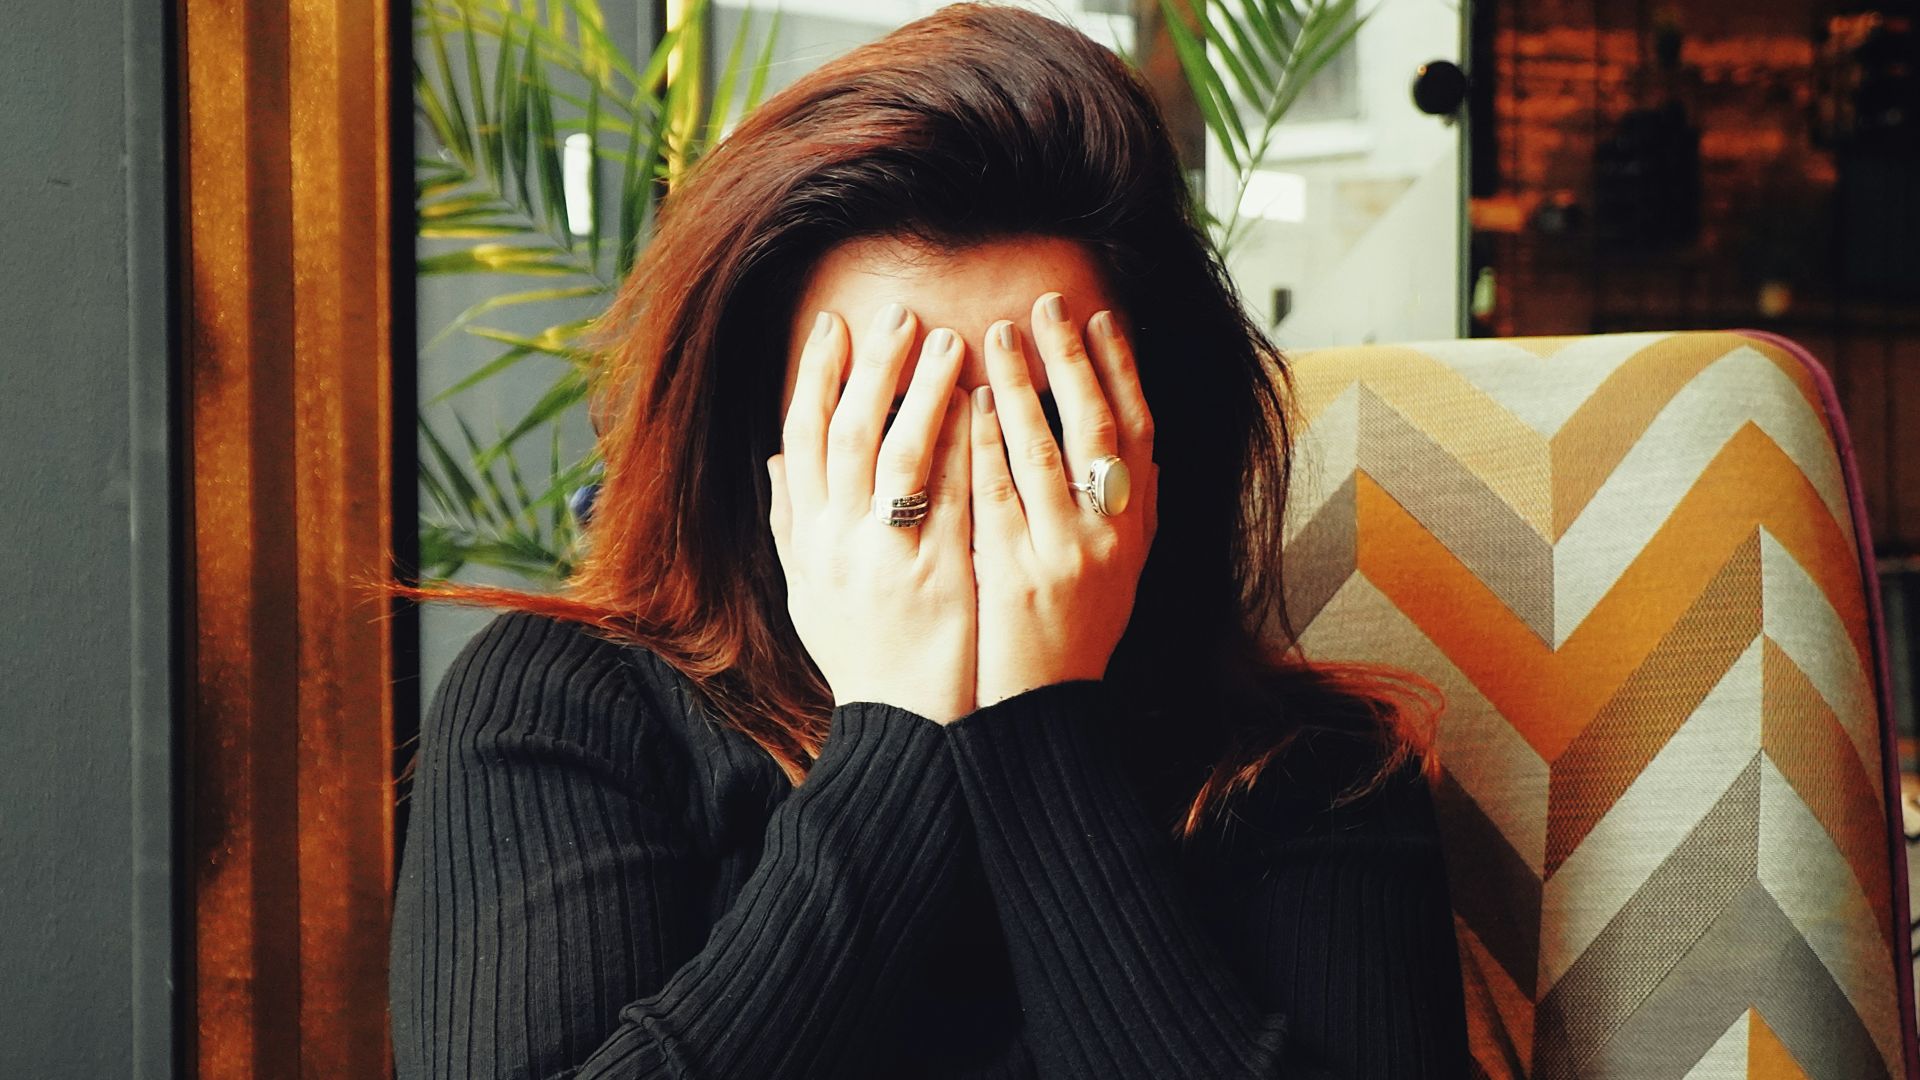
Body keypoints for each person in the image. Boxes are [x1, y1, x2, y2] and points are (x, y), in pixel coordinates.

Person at [387, 3, 1472, 1077]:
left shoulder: (1313, 774)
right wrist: (896, 725)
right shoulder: (563, 707)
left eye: (1032, 412)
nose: (961, 475)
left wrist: (1038, 724)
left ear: (1148, 439)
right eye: (887, 413)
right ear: (759, 433)